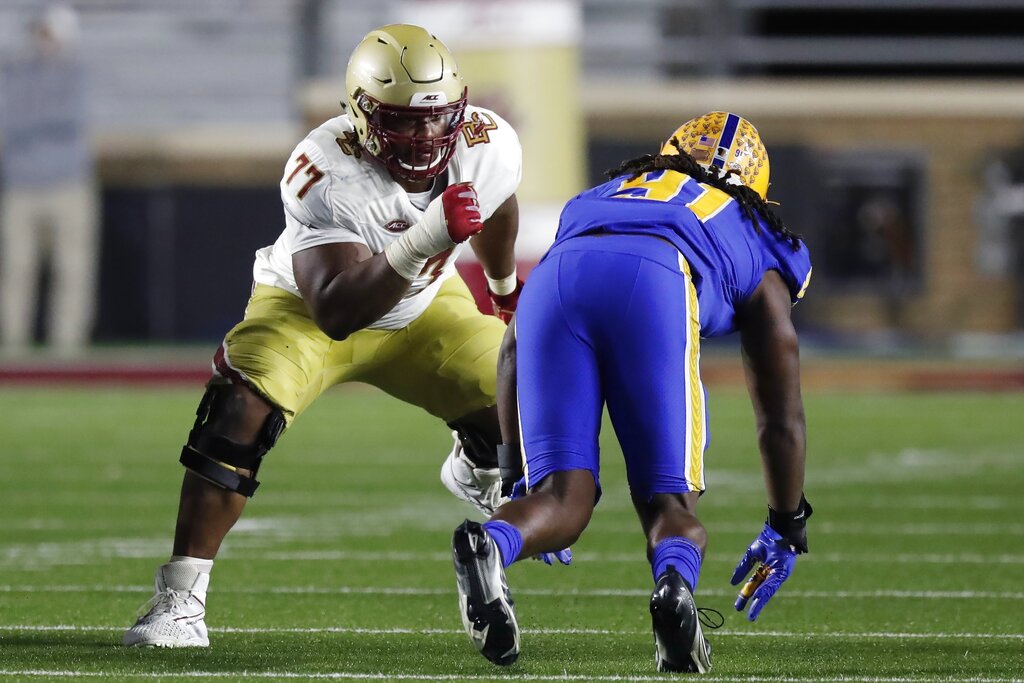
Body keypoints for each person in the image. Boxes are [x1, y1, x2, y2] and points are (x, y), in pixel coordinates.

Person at [123, 24, 526, 648]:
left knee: (526, 392)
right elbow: (339, 309)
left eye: (436, 119)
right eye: (401, 121)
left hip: (423, 306)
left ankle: (475, 459)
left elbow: (498, 205)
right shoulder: (323, 167)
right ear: (361, 114)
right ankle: (179, 600)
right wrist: (428, 237)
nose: (423, 137)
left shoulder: (486, 140)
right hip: (309, 309)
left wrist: (501, 291)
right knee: (239, 410)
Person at [450, 112, 814, 672]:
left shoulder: (607, 192)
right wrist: (787, 522)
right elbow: (779, 410)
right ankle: (673, 592)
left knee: (560, 499)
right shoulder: (754, 229)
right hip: (656, 279)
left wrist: (514, 476)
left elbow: (513, 348)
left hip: (556, 280)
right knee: (670, 505)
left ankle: (492, 546)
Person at [0, 3, 99, 355]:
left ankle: (67, 348)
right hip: (22, 184)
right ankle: (13, 345)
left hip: (67, 183)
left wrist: (33, 119)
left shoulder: (77, 73)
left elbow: (69, 117)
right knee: (16, 268)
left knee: (72, 269)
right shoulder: (16, 71)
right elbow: (13, 119)